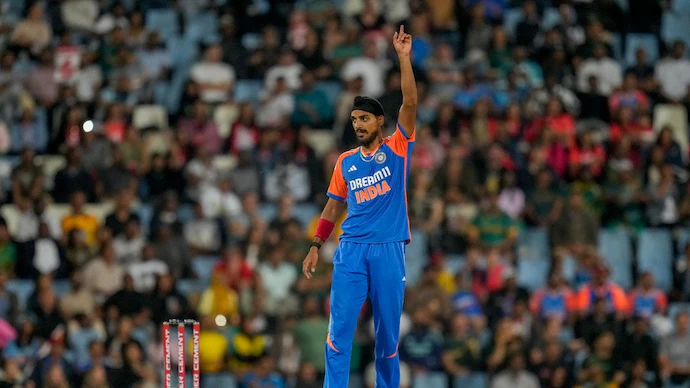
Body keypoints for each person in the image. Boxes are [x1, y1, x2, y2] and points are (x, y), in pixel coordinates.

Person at [301, 25, 417, 388]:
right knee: (338, 334)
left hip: (388, 250)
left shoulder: (398, 147)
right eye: (354, 120)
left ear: (380, 121)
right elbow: (333, 208)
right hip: (350, 250)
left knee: (386, 340)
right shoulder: (345, 161)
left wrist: (402, 58)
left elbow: (410, 103)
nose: (358, 125)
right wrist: (315, 245)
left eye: (364, 119)